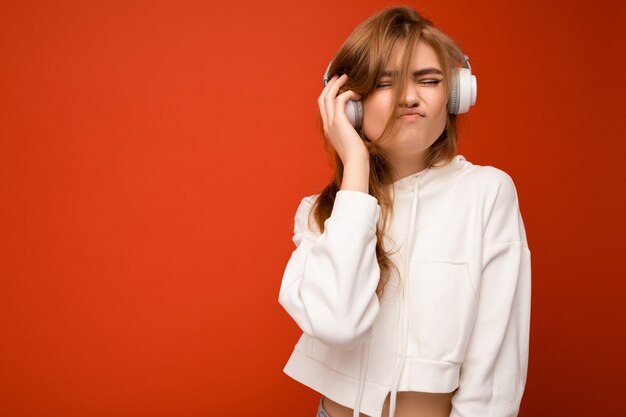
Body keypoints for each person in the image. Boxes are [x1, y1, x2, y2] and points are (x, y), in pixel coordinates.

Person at [278, 5, 531, 417]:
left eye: (429, 81)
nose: (410, 97)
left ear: (456, 95)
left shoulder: (487, 193)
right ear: (351, 106)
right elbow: (337, 324)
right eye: (384, 83)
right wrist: (356, 171)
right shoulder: (322, 213)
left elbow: (497, 366)